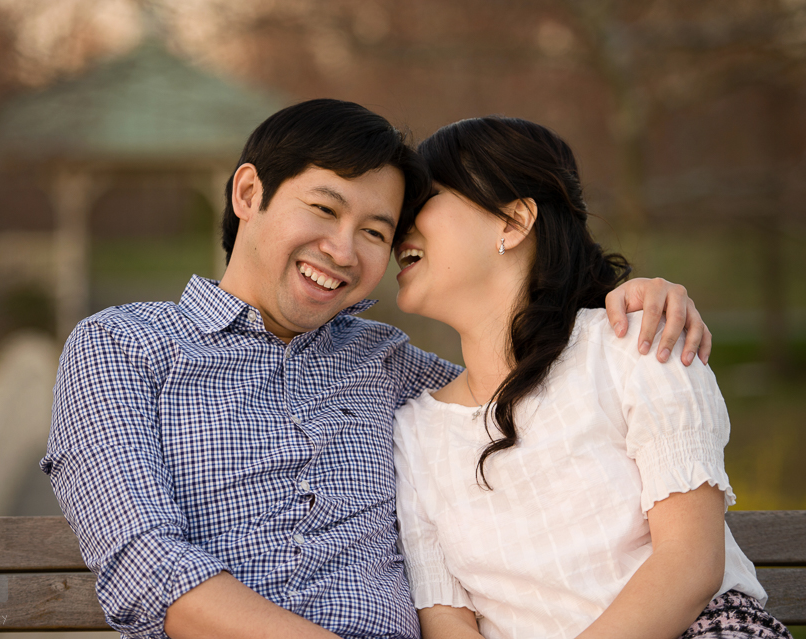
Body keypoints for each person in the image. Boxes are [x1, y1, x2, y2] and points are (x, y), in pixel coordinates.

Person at [41, 99, 711, 639]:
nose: (341, 249)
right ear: (249, 191)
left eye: (375, 232)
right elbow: (144, 562)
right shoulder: (124, 347)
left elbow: (537, 392)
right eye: (325, 209)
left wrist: (627, 296)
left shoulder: (393, 368)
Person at [392, 116, 791, 639]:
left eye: (426, 197)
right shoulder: (415, 430)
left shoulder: (638, 346)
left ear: (512, 221)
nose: (400, 225)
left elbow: (689, 565)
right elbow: (445, 613)